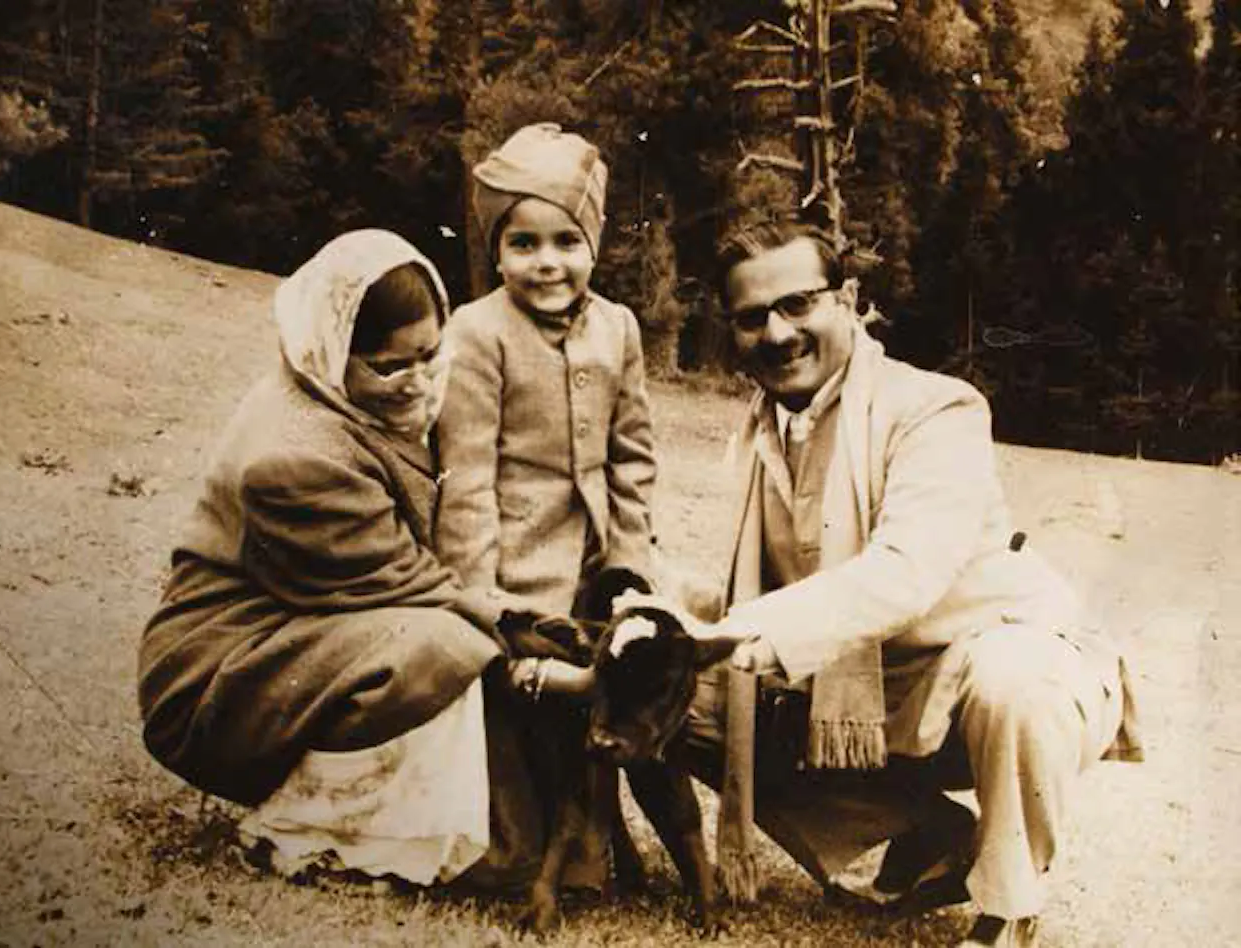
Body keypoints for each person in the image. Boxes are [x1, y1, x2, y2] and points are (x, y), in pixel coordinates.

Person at [683, 217, 1142, 948]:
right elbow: (769, 584)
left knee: (1014, 681)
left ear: (848, 299)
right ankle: (929, 835)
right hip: (865, 697)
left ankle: (1008, 907)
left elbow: (905, 572)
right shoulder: (762, 430)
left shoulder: (936, 408)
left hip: (992, 674)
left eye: (798, 304)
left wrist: (746, 632)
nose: (777, 333)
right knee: (670, 689)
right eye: (752, 317)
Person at [136, 229, 588, 888]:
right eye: (388, 365)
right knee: (442, 646)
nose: (417, 382)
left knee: (452, 644)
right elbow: (412, 584)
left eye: (429, 355)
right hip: (221, 672)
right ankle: (313, 827)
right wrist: (544, 647)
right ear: (334, 346)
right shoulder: (293, 459)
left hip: (306, 634)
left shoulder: (346, 396)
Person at [435, 122, 657, 618]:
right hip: (513, 573)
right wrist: (480, 599)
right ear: (497, 254)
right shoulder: (477, 331)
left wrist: (629, 567)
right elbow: (467, 479)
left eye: (567, 241)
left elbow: (633, 459)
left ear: (593, 246)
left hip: (598, 565)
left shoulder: (618, 327)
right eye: (523, 244)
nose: (547, 262)